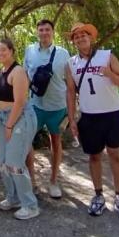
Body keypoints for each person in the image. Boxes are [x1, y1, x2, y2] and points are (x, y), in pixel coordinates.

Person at [67, 22, 119, 222]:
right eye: (76, 36)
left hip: (112, 114)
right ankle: (98, 196)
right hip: (89, 116)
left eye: (83, 35)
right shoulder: (71, 63)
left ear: (91, 37)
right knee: (94, 157)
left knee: (115, 155)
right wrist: (72, 118)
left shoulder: (107, 56)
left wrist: (110, 74)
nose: (80, 38)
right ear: (73, 42)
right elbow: (71, 93)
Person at [23, 19, 71, 198]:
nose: (44, 33)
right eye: (41, 30)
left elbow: (70, 82)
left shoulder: (63, 53)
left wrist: (71, 110)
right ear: (37, 32)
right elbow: (25, 77)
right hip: (35, 106)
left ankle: (53, 180)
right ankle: (32, 181)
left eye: (47, 30)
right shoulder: (29, 51)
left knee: (56, 143)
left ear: (53, 32)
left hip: (57, 107)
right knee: (27, 142)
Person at [0, 38, 40, 220]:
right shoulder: (1, 71)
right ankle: (13, 198)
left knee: (15, 163)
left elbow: (20, 101)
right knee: (2, 162)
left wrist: (10, 125)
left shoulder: (18, 71)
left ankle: (30, 205)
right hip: (3, 119)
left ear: (12, 51)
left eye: (4, 50)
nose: (0, 54)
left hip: (18, 119)